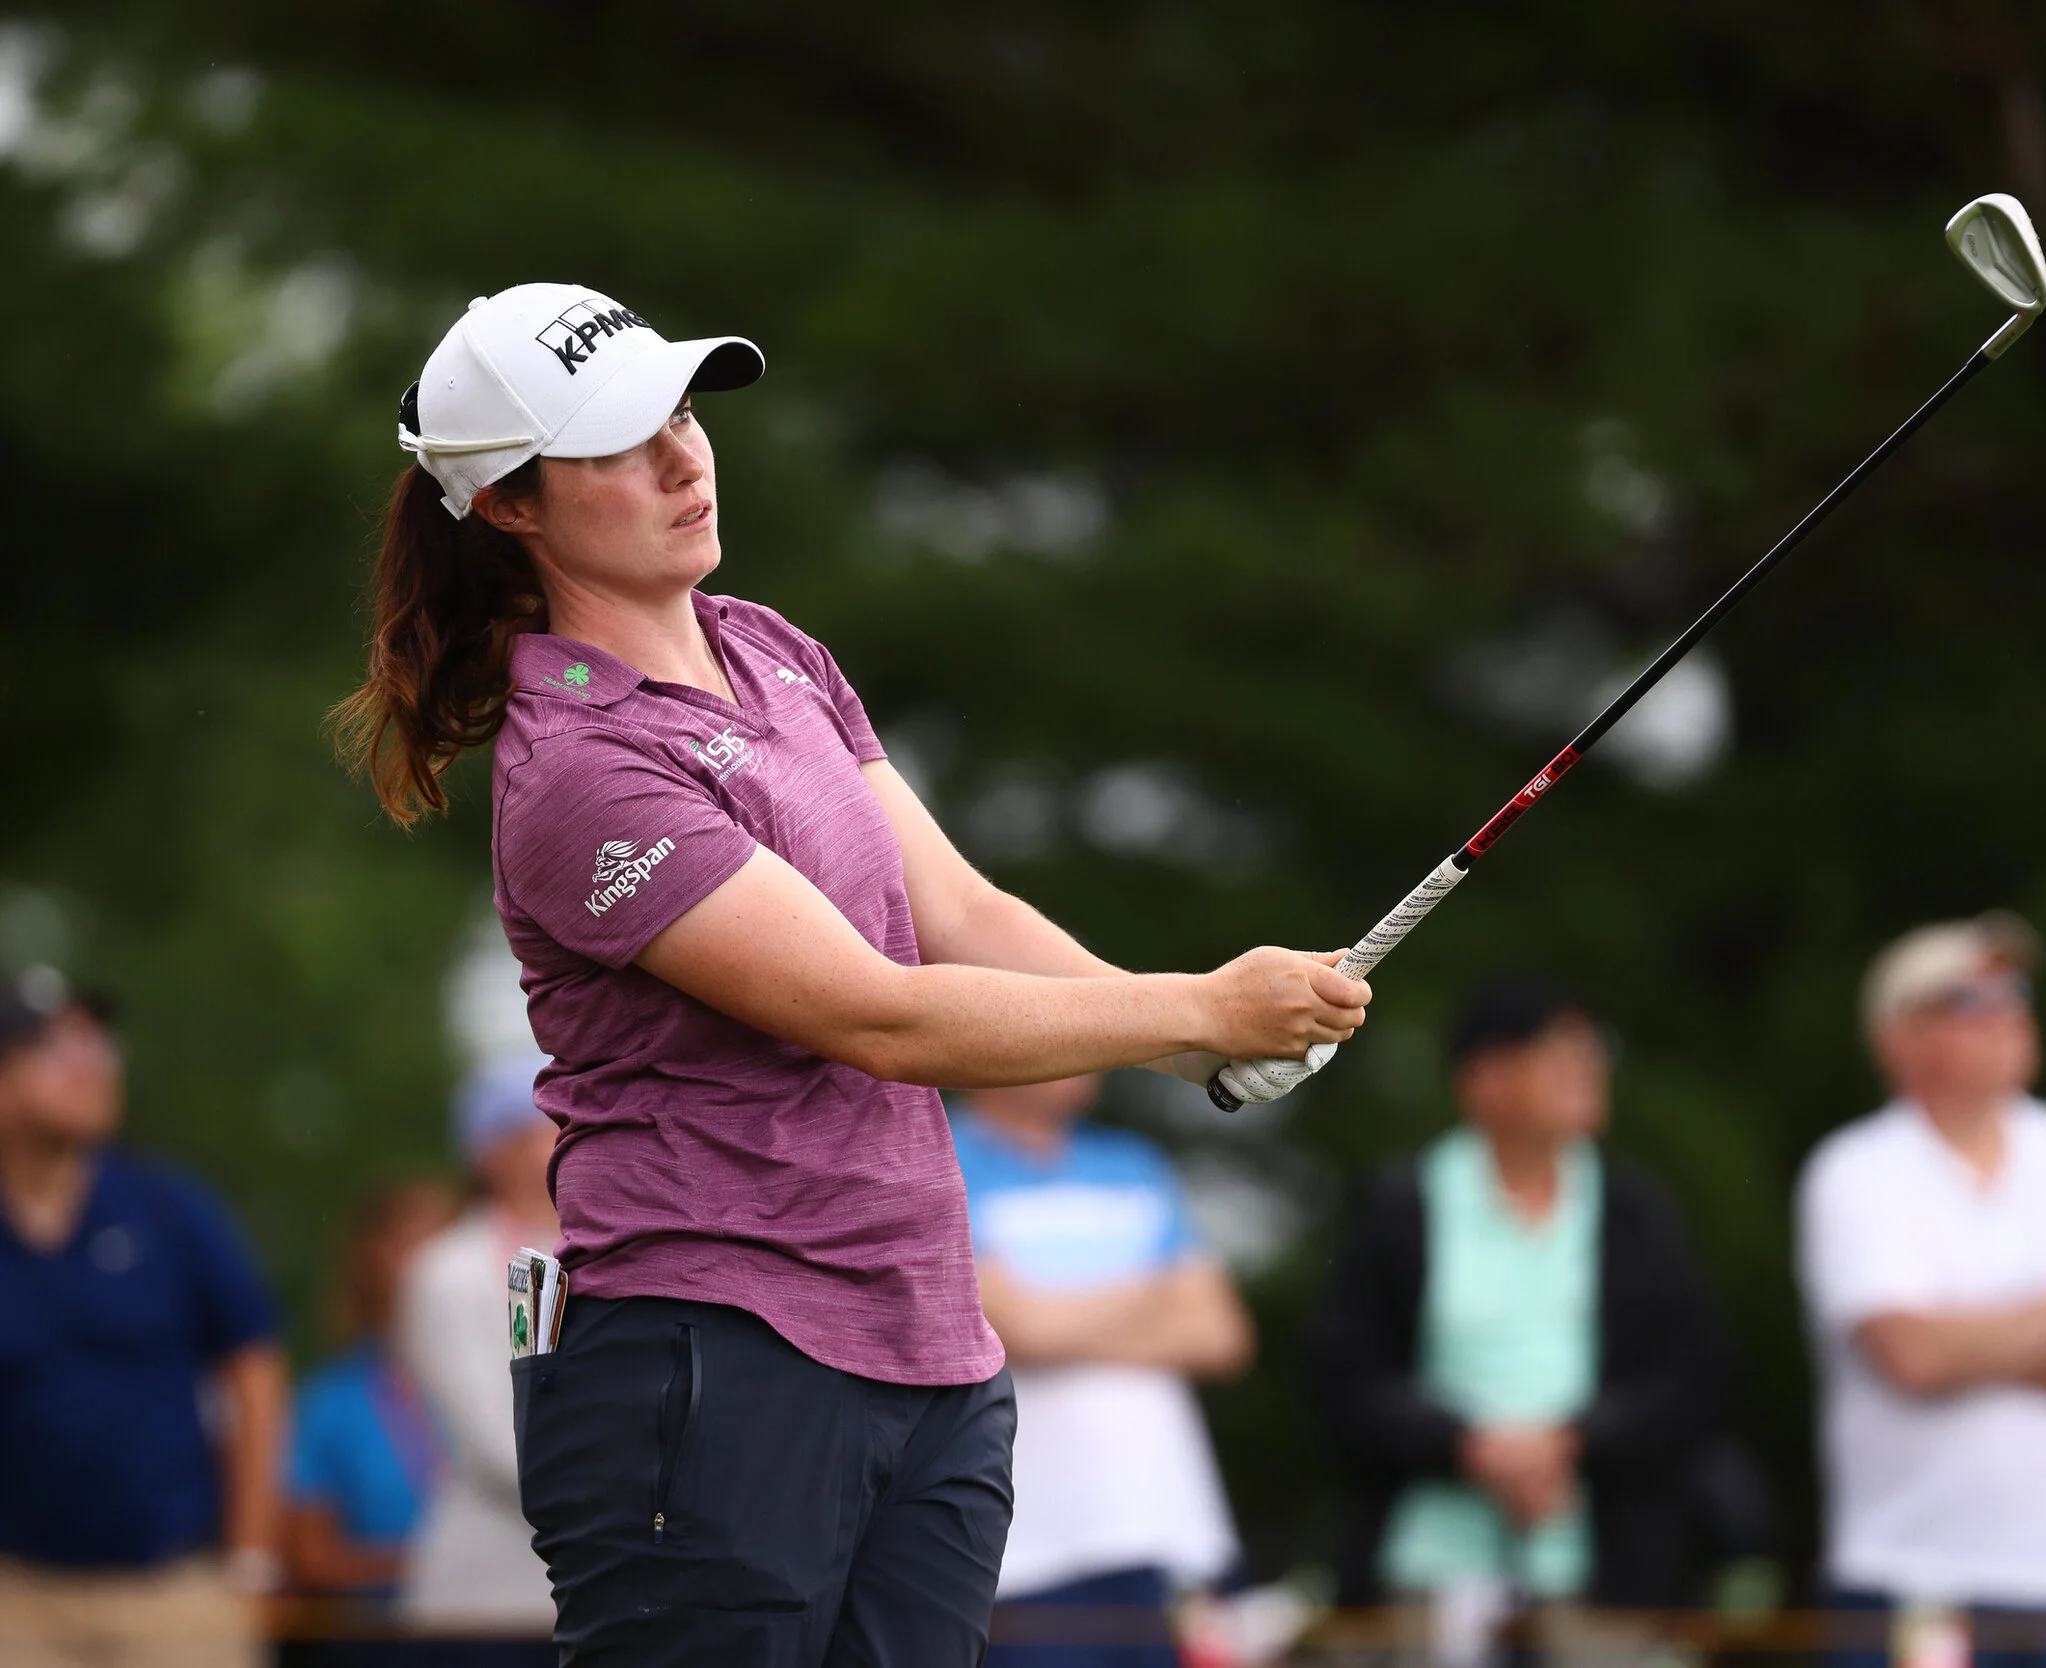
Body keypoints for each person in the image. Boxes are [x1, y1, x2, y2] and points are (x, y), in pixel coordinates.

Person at [332, 282, 1369, 1668]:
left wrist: (1201, 1044)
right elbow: (876, 1013)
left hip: (929, 1346)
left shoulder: (771, 648)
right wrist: (1197, 1007)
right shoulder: (577, 770)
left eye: (683, 416)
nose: (682, 459)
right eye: (618, 444)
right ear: (514, 506)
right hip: (712, 1359)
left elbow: (955, 909)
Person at [1794, 913, 2046, 1668]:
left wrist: (1972, 1341)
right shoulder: (1854, 1171)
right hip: (1912, 1580)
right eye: (1977, 998)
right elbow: (1911, 1356)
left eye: (2017, 993)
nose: (2011, 1012)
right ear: (1899, 1037)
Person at [1307, 973, 1732, 1641]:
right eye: (1559, 1051)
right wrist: (1467, 1449)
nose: (1586, 1069)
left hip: (1603, 1569)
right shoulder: (1400, 1206)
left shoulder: (1636, 1212)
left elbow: (1691, 1378)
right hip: (1425, 1564)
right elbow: (1344, 1379)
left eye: (1592, 1051)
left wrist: (1572, 1445)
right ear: (1485, 1078)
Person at [0, 966, 287, 1668]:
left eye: (100, 1047)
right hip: (16, 1595)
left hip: (174, 1590)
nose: (92, 1065)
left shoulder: (168, 1208)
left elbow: (254, 1365)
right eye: (58, 1049)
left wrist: (252, 1556)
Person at [951, 1075, 1250, 1667]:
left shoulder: (1134, 1161)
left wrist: (1053, 1312)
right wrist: (1158, 1288)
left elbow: (1220, 1336)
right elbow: (1017, 1331)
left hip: (1168, 1531)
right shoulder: (937, 1151)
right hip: (1025, 1550)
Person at [395, 1053, 561, 1651]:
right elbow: (497, 1442)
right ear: (489, 1152)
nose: (561, 1138)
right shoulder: (449, 1271)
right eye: (539, 1125)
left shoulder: (595, 1255)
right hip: (489, 1605)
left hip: (590, 1593)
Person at [285, 1178, 461, 1605]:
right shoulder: (328, 1403)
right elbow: (310, 1560)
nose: (429, 1263)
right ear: (370, 1262)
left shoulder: (508, 1382)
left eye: (445, 1242)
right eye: (407, 1244)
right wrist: (435, 1565)